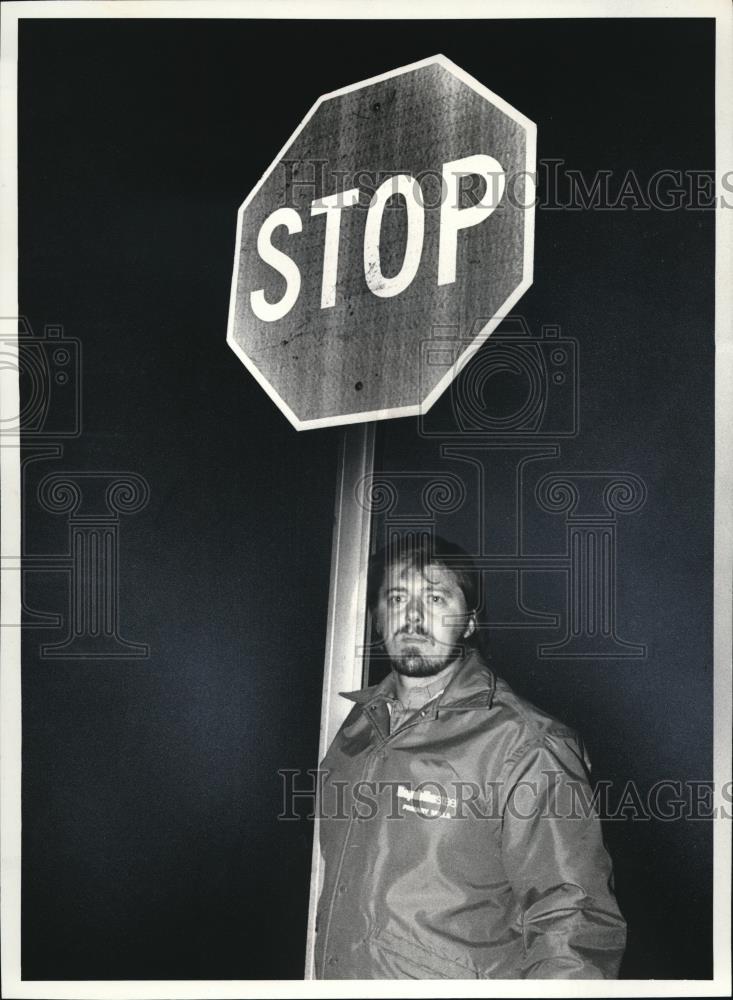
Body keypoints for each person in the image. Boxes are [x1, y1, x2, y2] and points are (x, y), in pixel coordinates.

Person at [314, 535, 627, 980]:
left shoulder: (524, 743)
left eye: (436, 597)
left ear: (469, 621)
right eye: (397, 597)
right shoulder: (356, 730)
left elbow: (574, 921)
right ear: (376, 617)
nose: (414, 615)